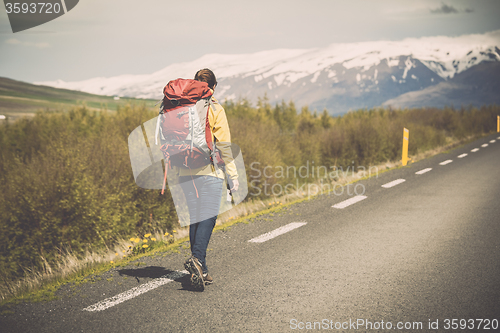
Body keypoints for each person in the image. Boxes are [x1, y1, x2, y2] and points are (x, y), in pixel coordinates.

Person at [181, 68, 239, 291]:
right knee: (209, 215)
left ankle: (201, 269)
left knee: (197, 216)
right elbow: (224, 145)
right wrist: (233, 177)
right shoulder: (215, 107)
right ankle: (197, 259)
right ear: (214, 86)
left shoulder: (182, 107)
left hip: (184, 170)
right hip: (208, 169)